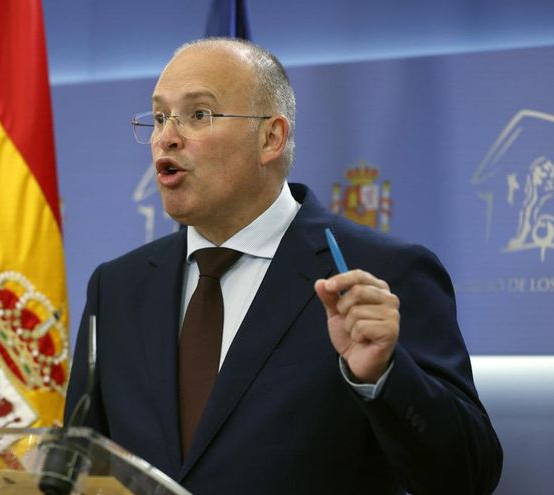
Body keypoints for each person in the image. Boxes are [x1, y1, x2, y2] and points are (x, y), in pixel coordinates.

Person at [65, 38, 502, 494]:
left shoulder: (382, 272)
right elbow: (75, 467)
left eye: (199, 114)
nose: (166, 137)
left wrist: (384, 376)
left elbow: (468, 476)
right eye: (158, 118)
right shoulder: (116, 288)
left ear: (271, 138)